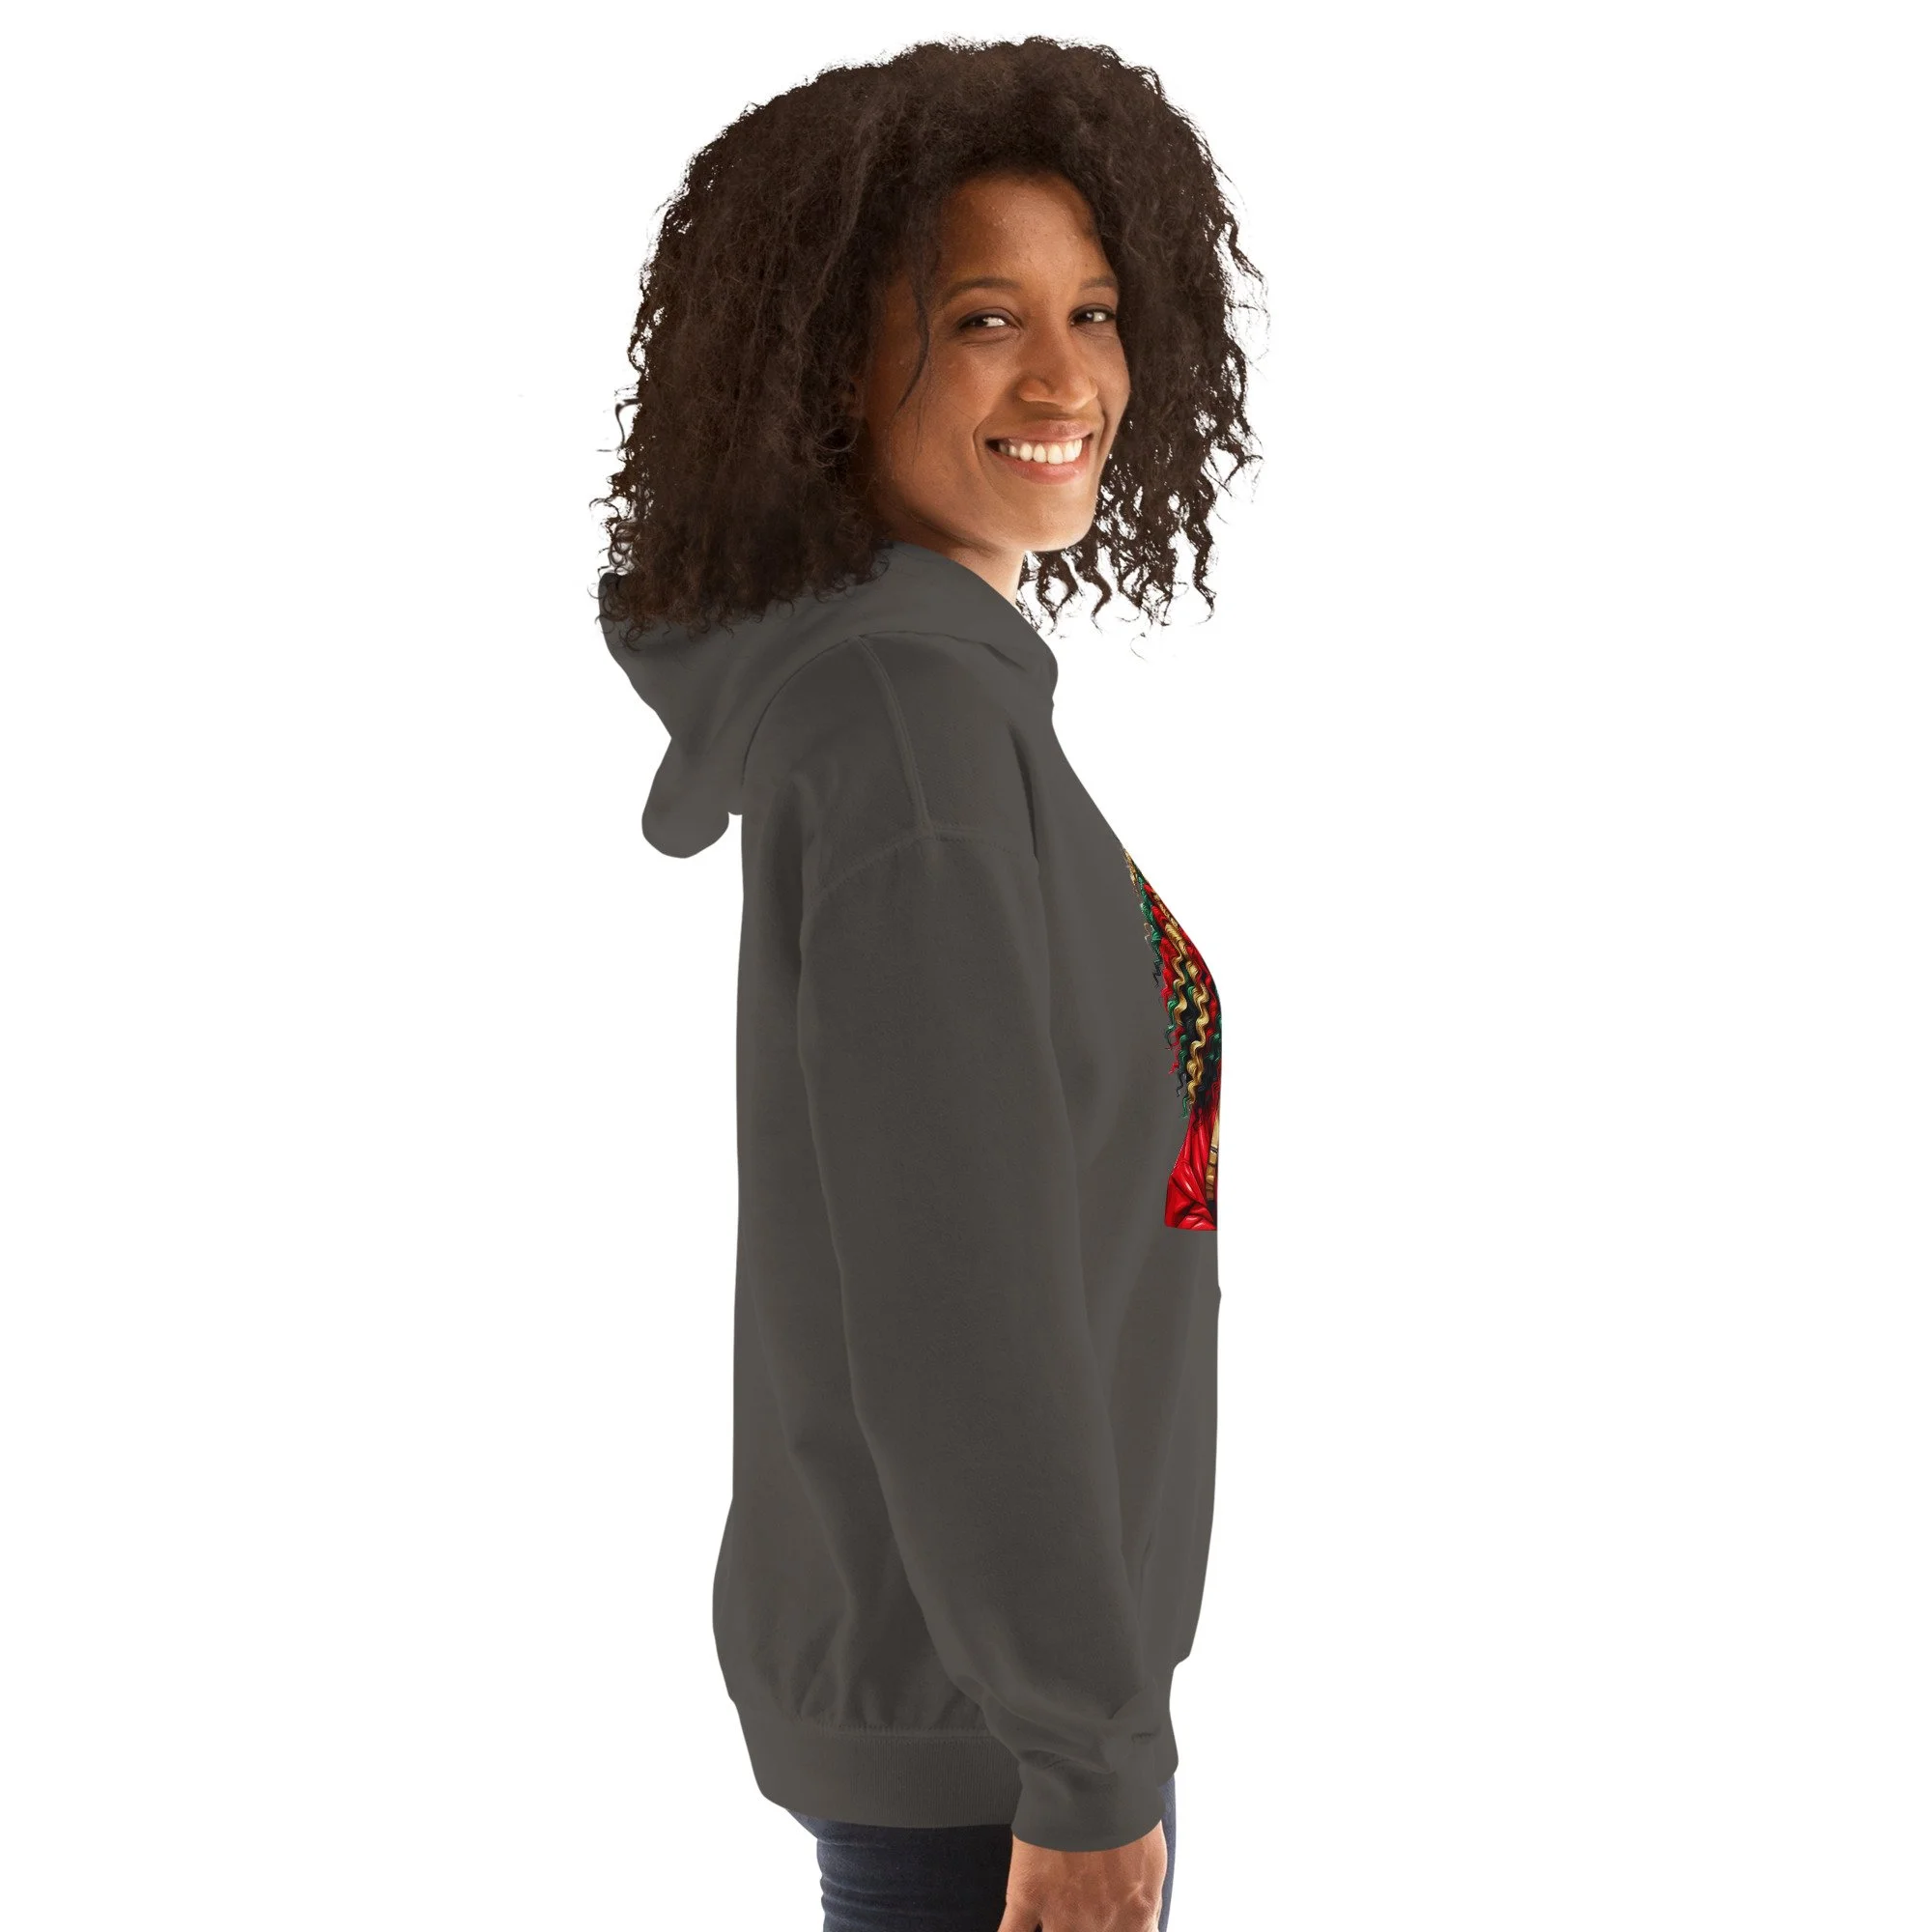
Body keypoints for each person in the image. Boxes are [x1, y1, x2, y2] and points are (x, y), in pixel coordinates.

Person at [595, 36, 1260, 1932]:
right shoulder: (912, 733)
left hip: (993, 1716)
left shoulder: (929, 705)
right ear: (829, 365)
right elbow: (961, 1295)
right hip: (1002, 1758)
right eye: (982, 320)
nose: (1065, 380)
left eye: (1093, 311)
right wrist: (1085, 1755)